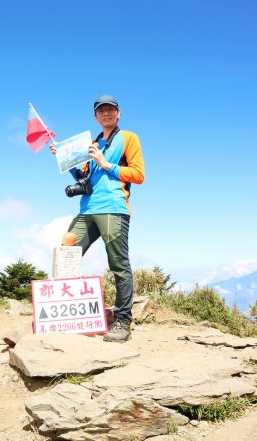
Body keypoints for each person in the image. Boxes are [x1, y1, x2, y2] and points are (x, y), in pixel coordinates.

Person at [50, 95, 145, 343]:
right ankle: (64, 316)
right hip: (87, 209)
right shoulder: (90, 143)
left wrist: (106, 164)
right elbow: (83, 175)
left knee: (118, 264)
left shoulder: (128, 138)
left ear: (118, 113)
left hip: (114, 208)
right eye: (101, 110)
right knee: (66, 254)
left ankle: (123, 321)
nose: (106, 113)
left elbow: (138, 174)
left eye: (110, 109)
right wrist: (63, 157)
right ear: (95, 116)